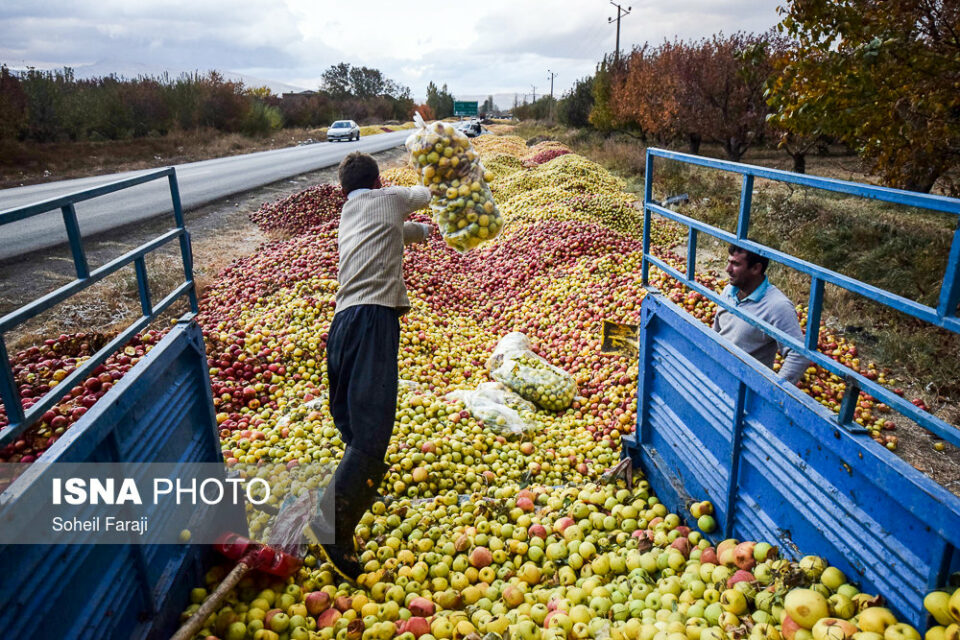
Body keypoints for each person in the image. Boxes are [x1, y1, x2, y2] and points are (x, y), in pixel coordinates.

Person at [306, 151, 433, 582]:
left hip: (341, 324)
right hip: (373, 321)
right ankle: (331, 526)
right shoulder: (391, 198)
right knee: (373, 433)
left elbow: (404, 231)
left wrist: (430, 234)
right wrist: (451, 166)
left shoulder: (351, 213)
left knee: (352, 425)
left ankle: (347, 495)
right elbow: (426, 193)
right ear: (378, 183)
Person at [713, 244, 810, 384]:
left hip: (743, 384)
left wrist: (775, 390)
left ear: (756, 268)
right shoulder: (729, 290)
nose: (727, 269)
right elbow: (717, 331)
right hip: (716, 371)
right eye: (729, 262)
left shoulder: (777, 306)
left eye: (736, 264)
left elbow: (799, 354)